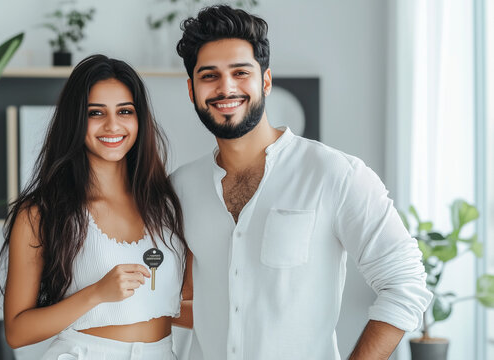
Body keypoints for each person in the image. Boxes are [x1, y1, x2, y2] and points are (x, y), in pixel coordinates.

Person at [170, 5, 433, 360]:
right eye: (209, 75)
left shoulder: (335, 174)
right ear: (192, 90)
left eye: (240, 72)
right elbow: (171, 298)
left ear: (265, 81)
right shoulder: (180, 187)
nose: (226, 87)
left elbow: (406, 283)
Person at [0, 54, 191, 360]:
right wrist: (97, 293)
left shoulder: (167, 204)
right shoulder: (41, 213)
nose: (113, 125)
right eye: (96, 113)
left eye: (125, 111)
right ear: (75, 120)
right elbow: (17, 332)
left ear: (139, 118)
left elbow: (181, 305)